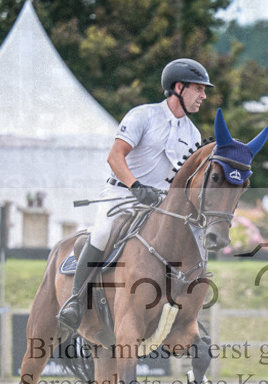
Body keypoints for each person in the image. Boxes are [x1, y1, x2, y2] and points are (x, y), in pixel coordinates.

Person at [56, 58, 213, 337]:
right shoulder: (142, 116)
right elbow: (115, 156)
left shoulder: (192, 133)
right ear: (179, 88)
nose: (203, 96)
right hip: (122, 194)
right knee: (101, 233)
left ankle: (183, 315)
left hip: (161, 205)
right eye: (198, 89)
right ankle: (76, 301)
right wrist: (136, 186)